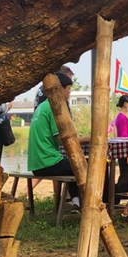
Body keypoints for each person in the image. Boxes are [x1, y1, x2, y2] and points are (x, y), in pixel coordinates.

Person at [27, 72, 80, 208]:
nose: (69, 93)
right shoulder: (53, 108)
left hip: (36, 164)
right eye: (68, 89)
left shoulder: (42, 106)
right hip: (48, 162)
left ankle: (76, 202)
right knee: (83, 166)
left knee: (74, 165)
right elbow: (63, 140)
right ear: (60, 89)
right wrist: (88, 139)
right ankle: (104, 200)